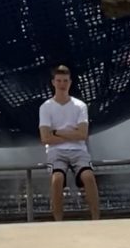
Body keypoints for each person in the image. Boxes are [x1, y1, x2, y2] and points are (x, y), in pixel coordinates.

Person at [38, 64, 100, 221]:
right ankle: (58, 220)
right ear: (53, 82)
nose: (62, 84)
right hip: (56, 152)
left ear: (70, 82)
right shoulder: (46, 107)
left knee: (88, 177)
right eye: (59, 81)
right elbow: (45, 138)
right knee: (57, 179)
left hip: (78, 151)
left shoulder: (80, 106)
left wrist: (57, 132)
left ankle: (96, 218)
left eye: (65, 80)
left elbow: (83, 134)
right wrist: (73, 134)